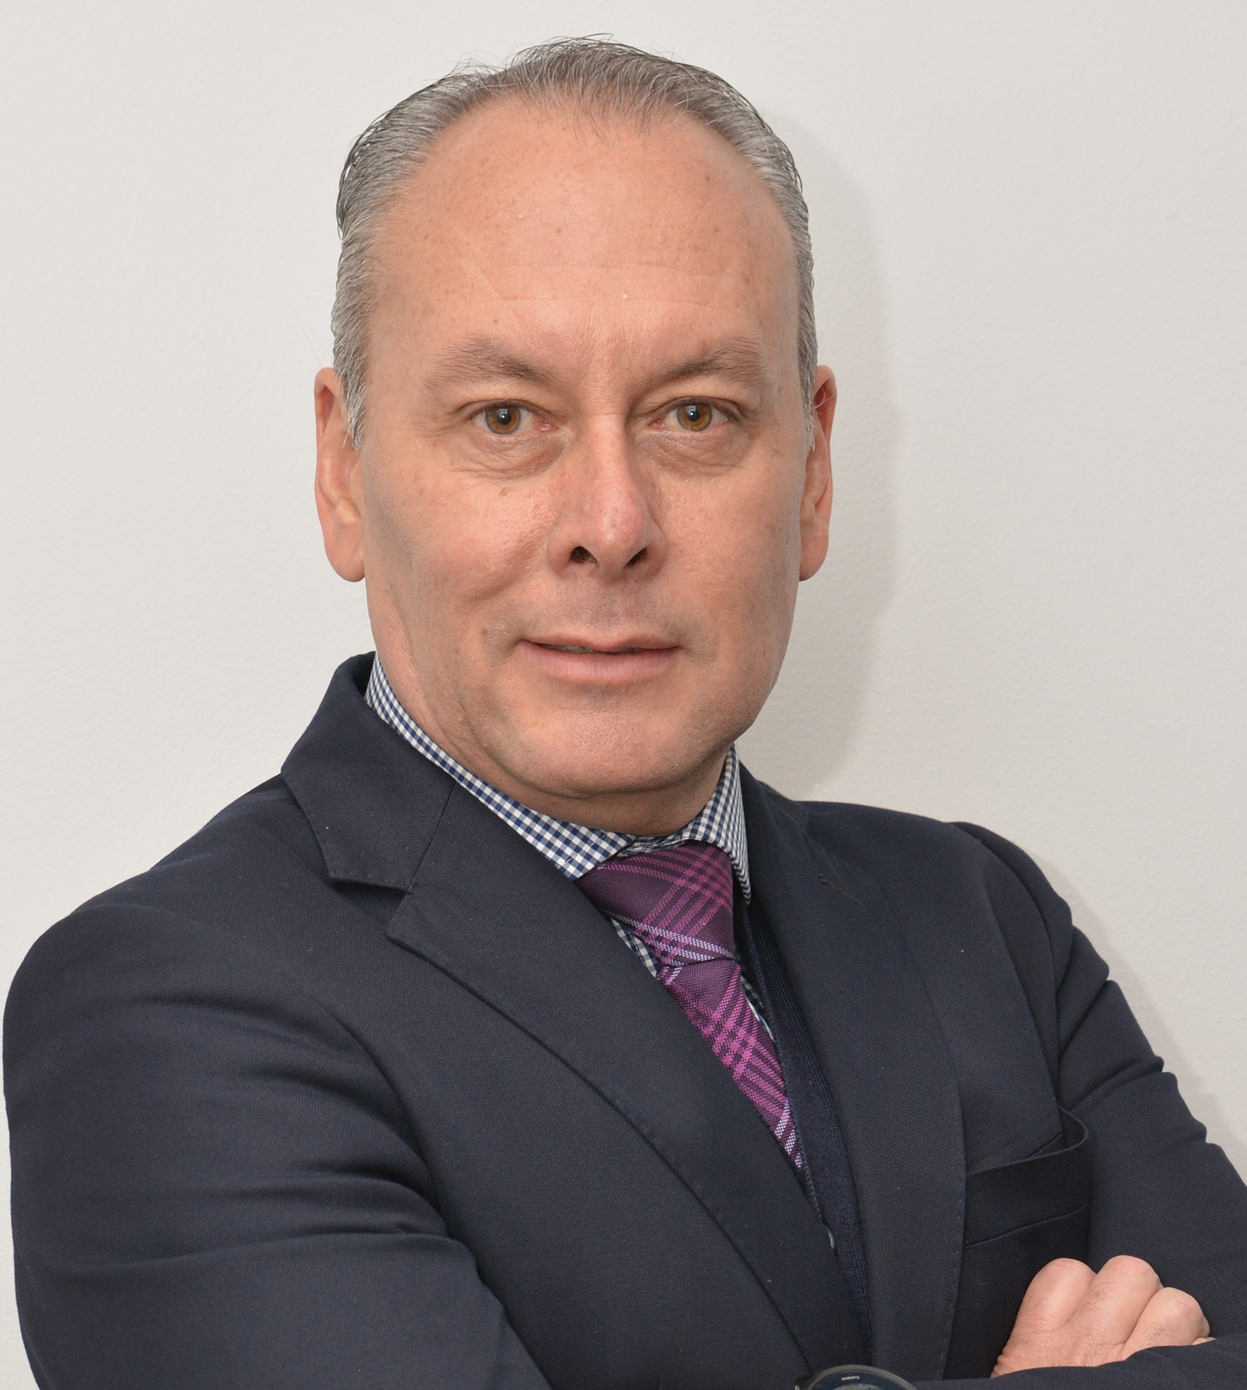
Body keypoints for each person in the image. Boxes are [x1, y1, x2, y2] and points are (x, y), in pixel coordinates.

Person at [5, 38, 1246, 1390]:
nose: (610, 523)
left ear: (813, 472)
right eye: (505, 417)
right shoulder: (163, 1010)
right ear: (345, 472)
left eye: (694, 413)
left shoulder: (983, 919)